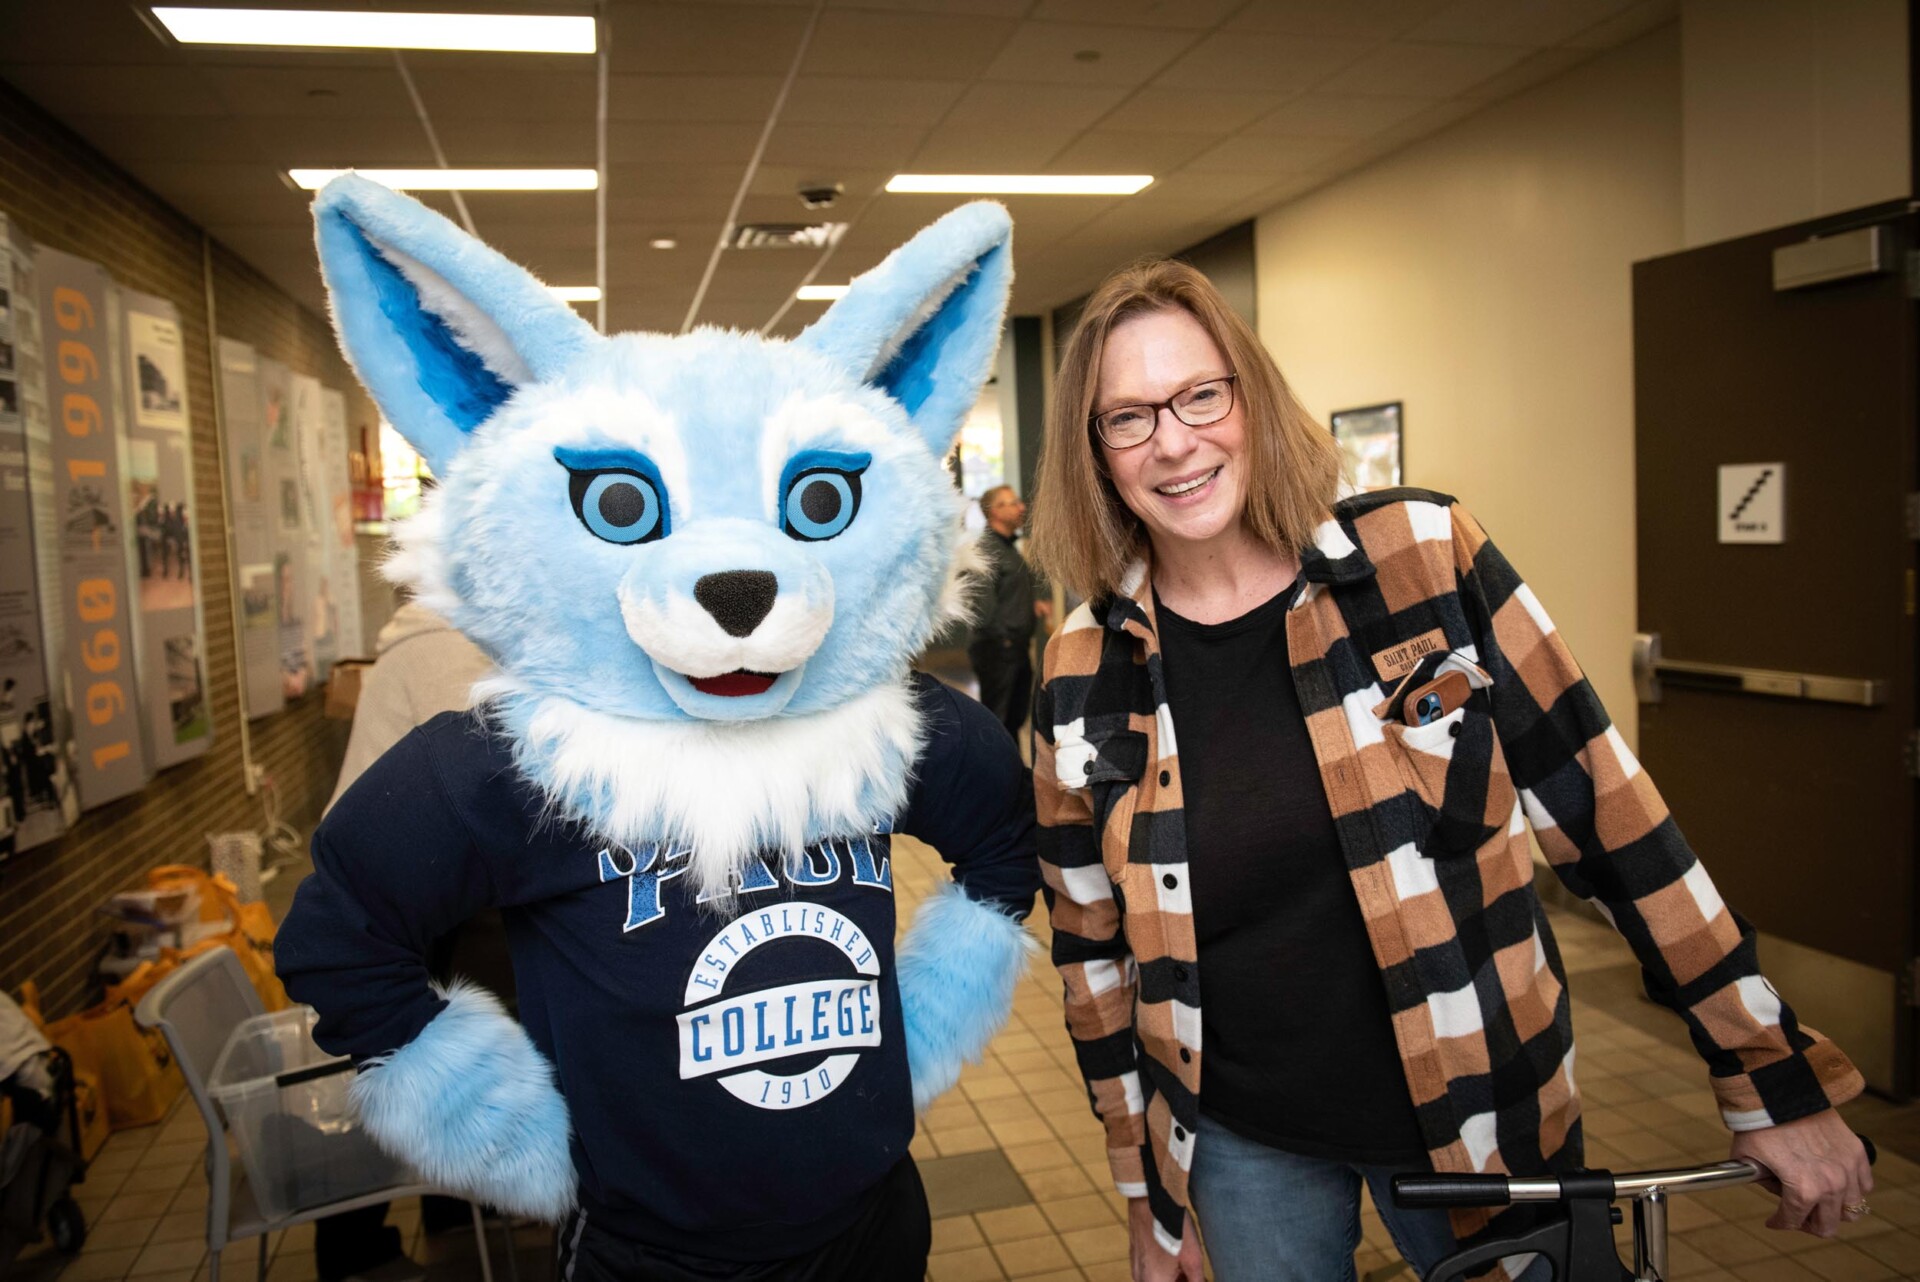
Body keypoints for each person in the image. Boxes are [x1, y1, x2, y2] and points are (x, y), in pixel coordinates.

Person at [1026, 259, 1871, 1282]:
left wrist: (1766, 1070)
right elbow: (1092, 957)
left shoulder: (1423, 557)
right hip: (1242, 1143)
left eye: (1201, 394)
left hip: (1488, 1111)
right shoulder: (1083, 665)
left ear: (1250, 396)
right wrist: (1149, 1202)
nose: (1173, 439)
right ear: (1094, 451)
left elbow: (1610, 816)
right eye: (1127, 416)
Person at [968, 485, 1049, 738]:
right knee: (998, 723)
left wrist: (1028, 607)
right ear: (995, 511)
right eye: (1013, 502)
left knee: (1013, 720)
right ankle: (999, 776)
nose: (1021, 507)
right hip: (999, 650)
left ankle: (1014, 776)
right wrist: (1005, 636)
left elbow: (1005, 592)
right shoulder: (986, 549)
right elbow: (982, 607)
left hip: (1013, 647)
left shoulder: (1006, 547)